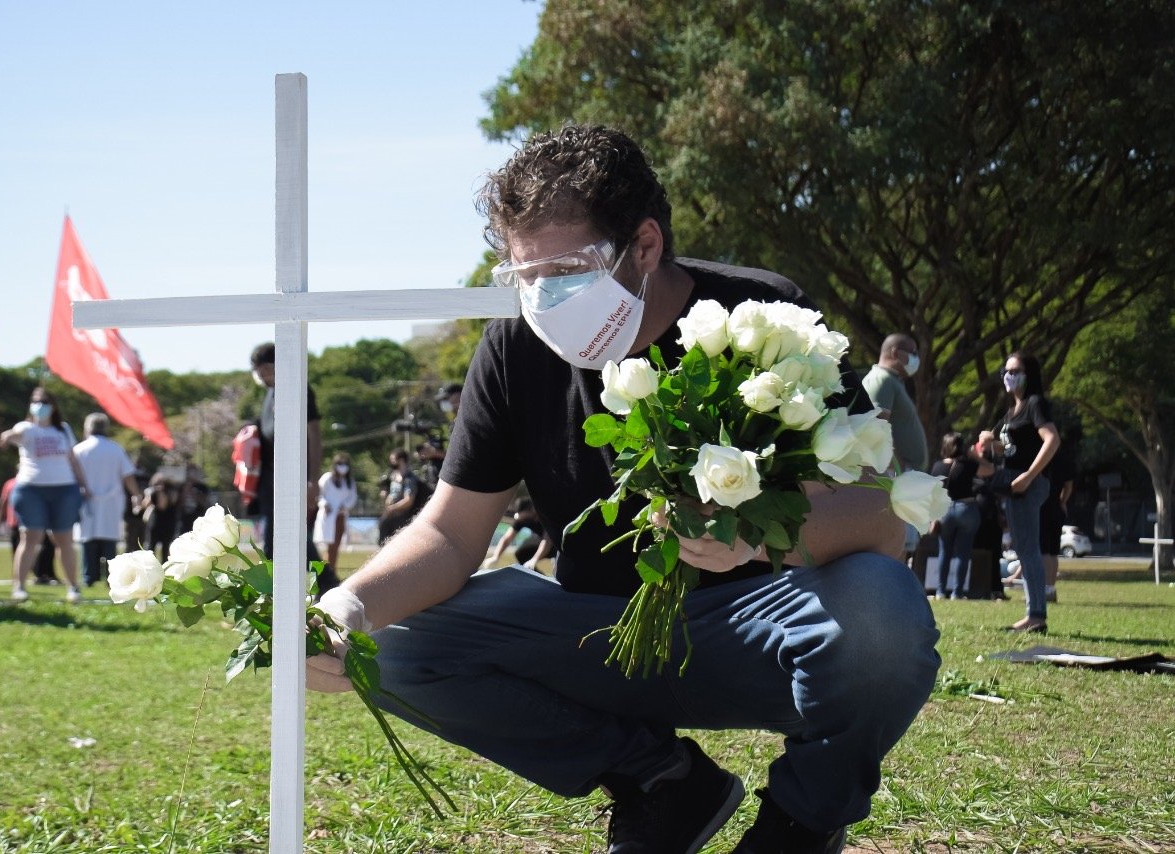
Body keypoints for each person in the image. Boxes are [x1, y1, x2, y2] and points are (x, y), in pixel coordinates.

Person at [305, 125, 940, 853]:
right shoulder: (513, 347)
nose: (544, 297)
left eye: (569, 267)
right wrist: (347, 606)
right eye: (524, 275)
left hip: (751, 634)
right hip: (593, 634)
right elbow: (449, 533)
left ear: (644, 245)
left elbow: (880, 515)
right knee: (389, 641)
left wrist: (759, 534)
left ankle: (801, 820)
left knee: (883, 611)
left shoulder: (766, 320)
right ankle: (664, 784)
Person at [978, 351, 1061, 633]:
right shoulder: (1012, 410)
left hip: (1028, 485)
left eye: (1015, 371)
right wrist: (991, 442)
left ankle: (1036, 615)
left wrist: (1028, 476)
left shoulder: (1035, 404)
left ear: (1029, 375)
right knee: (1023, 550)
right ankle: (1033, 613)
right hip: (1013, 486)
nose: (1008, 375)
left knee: (1029, 549)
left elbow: (1052, 439)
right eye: (1006, 370)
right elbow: (1012, 447)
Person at [249, 343, 337, 592]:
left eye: (264, 369)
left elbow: (314, 434)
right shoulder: (269, 394)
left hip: (294, 477)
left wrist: (312, 479)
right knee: (279, 540)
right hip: (269, 479)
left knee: (291, 538)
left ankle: (325, 585)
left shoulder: (298, 387)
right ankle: (291, 589)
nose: (262, 376)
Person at [0, 387, 88, 602]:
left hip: (64, 489)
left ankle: (73, 587)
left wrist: (84, 484)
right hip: (31, 490)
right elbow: (12, 435)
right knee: (30, 537)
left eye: (44, 402)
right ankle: (19, 586)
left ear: (53, 406)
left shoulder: (63, 430)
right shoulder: (26, 428)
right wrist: (7, 436)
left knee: (64, 539)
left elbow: (73, 459)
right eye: (36, 401)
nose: (40, 406)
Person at [73, 413, 141, 587]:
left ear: (88, 428)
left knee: (88, 539)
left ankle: (89, 576)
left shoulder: (79, 450)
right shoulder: (115, 449)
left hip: (86, 499)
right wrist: (136, 494)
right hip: (111, 501)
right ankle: (111, 577)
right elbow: (128, 476)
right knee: (109, 540)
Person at [928, 432, 986, 599]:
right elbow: (989, 470)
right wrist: (975, 455)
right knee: (963, 552)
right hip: (966, 508)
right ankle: (957, 592)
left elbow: (933, 493)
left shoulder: (937, 466)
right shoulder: (968, 464)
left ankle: (940, 591)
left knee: (944, 552)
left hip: (944, 510)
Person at [861, 334, 928, 474]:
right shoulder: (881, 380)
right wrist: (897, 470)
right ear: (895, 352)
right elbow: (877, 428)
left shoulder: (892, 380)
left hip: (908, 473)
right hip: (900, 475)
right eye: (913, 353)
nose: (917, 359)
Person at [0, 475, 57, 584]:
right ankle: (20, 577)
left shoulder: (34, 482)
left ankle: (42, 573)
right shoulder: (11, 483)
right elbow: (3, 502)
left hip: (33, 522)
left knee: (43, 547)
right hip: (17, 522)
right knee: (20, 549)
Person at [1037, 440, 1075, 604]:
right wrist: (1062, 501)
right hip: (1056, 507)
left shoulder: (1040, 457)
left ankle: (1043, 588)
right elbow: (1069, 485)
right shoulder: (1064, 460)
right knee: (1053, 551)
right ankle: (1050, 588)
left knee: (1043, 550)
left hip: (1042, 506)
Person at [313, 452, 358, 573]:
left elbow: (352, 497)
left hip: (341, 516)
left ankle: (331, 571)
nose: (343, 467)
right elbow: (319, 494)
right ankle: (326, 573)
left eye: (345, 464)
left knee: (336, 547)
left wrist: (345, 506)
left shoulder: (349, 481)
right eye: (340, 464)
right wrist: (324, 504)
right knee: (329, 547)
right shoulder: (327, 478)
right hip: (328, 516)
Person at [482, 497, 556, 570]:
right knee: (521, 554)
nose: (522, 520)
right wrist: (495, 556)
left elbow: (547, 541)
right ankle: (535, 577)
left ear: (532, 509)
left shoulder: (544, 514)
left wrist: (534, 559)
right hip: (541, 538)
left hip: (558, 542)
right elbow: (507, 539)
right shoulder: (522, 519)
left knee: (560, 571)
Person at [376, 448, 423, 545]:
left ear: (401, 460)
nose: (391, 463)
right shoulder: (392, 476)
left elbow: (408, 500)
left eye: (393, 460)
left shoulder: (409, 479)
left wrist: (393, 508)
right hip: (390, 515)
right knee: (383, 543)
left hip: (401, 516)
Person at [140, 472, 178, 562]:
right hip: (155, 522)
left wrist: (161, 492)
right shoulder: (152, 491)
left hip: (168, 522)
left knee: (165, 548)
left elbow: (163, 505)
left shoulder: (171, 491)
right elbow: (145, 505)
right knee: (151, 547)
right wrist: (150, 494)